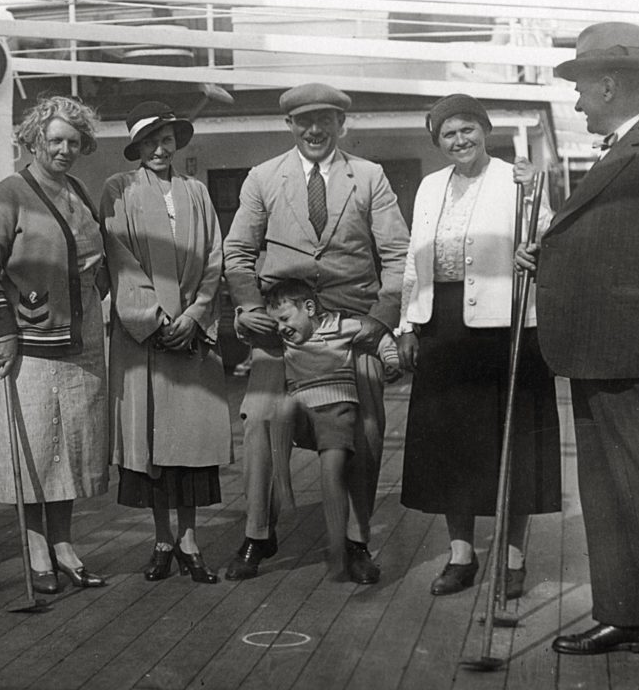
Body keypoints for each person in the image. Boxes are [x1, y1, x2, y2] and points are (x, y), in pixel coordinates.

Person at [515, 22, 639, 684]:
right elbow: (607, 244)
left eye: (581, 89)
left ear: (606, 84)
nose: (576, 103)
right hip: (595, 354)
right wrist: (544, 254)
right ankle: (627, 613)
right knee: (605, 494)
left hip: (637, 358)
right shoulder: (626, 150)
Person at [223, 82, 410, 584]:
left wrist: (382, 317)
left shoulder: (369, 177)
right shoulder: (264, 178)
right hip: (283, 330)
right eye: (304, 122)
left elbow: (397, 255)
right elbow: (237, 252)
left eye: (325, 120)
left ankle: (355, 541)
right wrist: (247, 303)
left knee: (365, 430)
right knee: (260, 417)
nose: (314, 130)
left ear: (339, 124)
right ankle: (259, 532)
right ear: (289, 126)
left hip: (351, 328)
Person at [397, 94, 561, 596]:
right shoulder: (429, 187)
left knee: (511, 443)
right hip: (442, 328)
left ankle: (512, 559)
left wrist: (536, 248)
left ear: (484, 131)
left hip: (506, 325)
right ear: (438, 142)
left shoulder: (519, 179)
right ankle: (461, 554)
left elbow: (548, 236)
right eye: (448, 134)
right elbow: (413, 257)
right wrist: (407, 322)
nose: (459, 141)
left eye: (467, 130)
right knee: (452, 445)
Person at [0, 95, 109, 595]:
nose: (64, 149)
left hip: (82, 340)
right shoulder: (8, 194)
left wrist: (90, 302)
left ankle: (65, 545)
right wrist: (4, 330)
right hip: (28, 343)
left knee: (70, 447)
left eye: (73, 141)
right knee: (35, 447)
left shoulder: (78, 190)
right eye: (54, 140)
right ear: (34, 140)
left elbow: (97, 260)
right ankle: (35, 549)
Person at [100, 101, 231, 585]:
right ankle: (161, 539)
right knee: (153, 444)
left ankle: (191, 539)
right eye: (150, 141)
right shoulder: (120, 189)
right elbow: (121, 259)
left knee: (192, 443)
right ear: (137, 147)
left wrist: (196, 315)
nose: (160, 148)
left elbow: (214, 256)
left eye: (167, 138)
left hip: (192, 338)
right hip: (148, 340)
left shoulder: (196, 191)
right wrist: (155, 321)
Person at [263, 278, 402, 580]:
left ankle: (338, 545)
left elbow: (379, 335)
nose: (281, 328)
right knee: (281, 410)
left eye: (285, 319)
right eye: (277, 324)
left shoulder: (342, 326)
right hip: (302, 407)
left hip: (338, 410)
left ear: (309, 308)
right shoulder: (287, 338)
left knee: (332, 469)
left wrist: (392, 360)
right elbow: (250, 330)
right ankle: (283, 484)